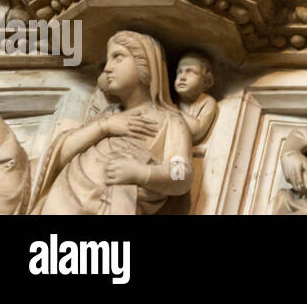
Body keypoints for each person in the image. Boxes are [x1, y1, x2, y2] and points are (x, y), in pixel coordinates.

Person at [31, 31, 192, 215]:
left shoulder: (170, 121)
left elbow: (182, 174)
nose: (107, 68)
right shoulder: (105, 117)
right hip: (63, 202)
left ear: (146, 64)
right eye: (108, 60)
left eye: (118, 57)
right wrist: (104, 126)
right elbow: (58, 157)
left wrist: (141, 173)